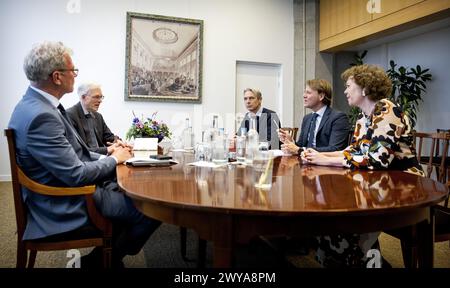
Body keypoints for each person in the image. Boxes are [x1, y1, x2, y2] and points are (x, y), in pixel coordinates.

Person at [8, 41, 160, 268]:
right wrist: (113, 159)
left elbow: (76, 153)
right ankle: (100, 261)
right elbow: (76, 174)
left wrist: (108, 156)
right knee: (151, 209)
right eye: (73, 71)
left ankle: (104, 257)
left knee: (131, 197)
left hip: (65, 189)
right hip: (65, 201)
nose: (75, 76)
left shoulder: (34, 105)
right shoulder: (42, 115)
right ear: (57, 77)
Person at [302, 64, 425, 267]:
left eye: (349, 85)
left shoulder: (387, 110)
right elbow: (354, 152)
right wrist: (319, 154)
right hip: (378, 182)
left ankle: (365, 259)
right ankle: (369, 259)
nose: (344, 90)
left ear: (365, 89)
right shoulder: (362, 117)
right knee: (327, 222)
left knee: (343, 228)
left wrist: (325, 160)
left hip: (405, 184)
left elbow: (377, 160)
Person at [278, 79, 349, 155]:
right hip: (306, 162)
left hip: (325, 164)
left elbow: (335, 149)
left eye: (308, 93)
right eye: (304, 92)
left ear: (321, 96)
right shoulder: (307, 118)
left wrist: (300, 150)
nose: (304, 96)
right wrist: (291, 141)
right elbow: (301, 146)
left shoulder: (338, 118)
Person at [67, 82, 126, 155]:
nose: (100, 101)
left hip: (101, 159)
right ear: (83, 97)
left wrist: (118, 142)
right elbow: (78, 150)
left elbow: (109, 137)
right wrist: (107, 149)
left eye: (101, 97)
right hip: (85, 161)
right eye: (96, 97)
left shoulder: (98, 116)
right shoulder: (70, 115)